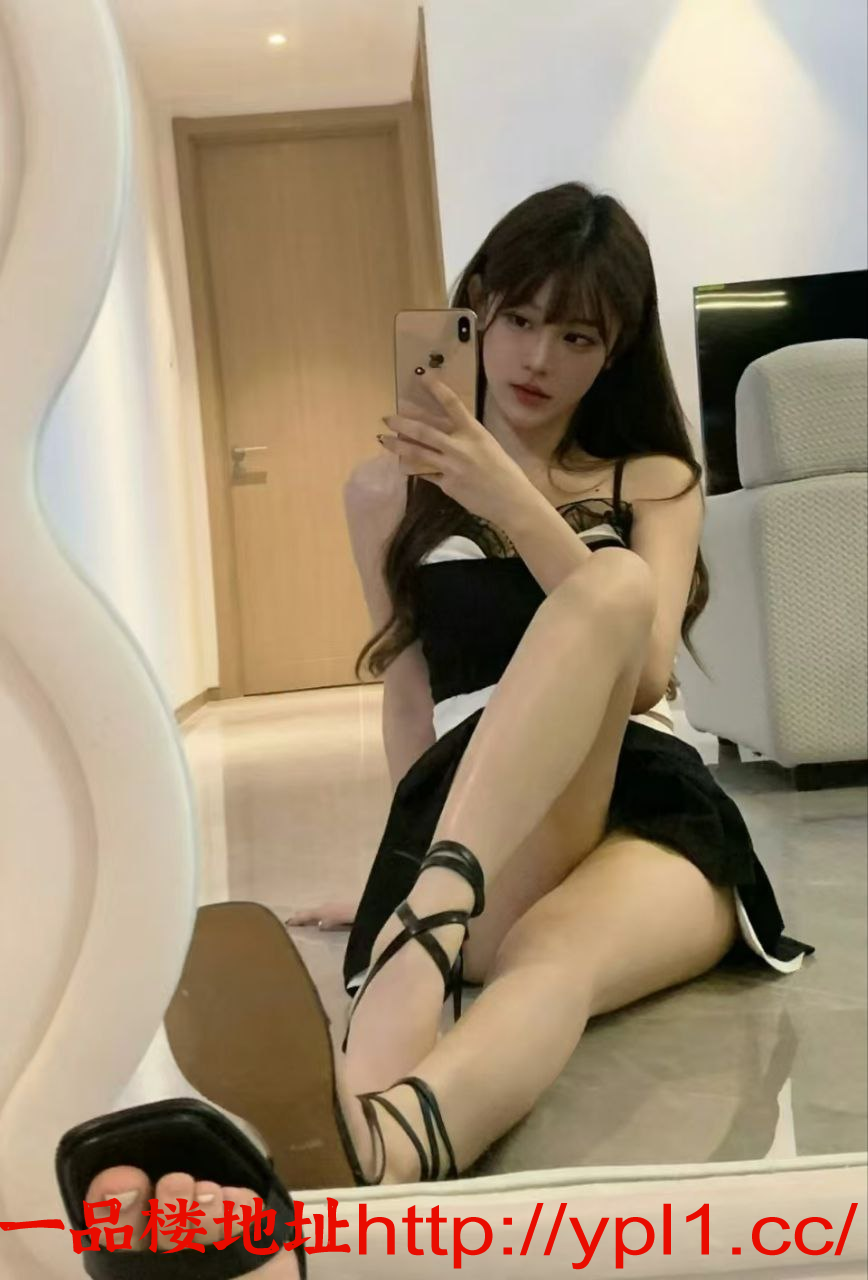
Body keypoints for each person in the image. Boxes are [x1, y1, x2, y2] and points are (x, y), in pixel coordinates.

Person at [61, 182, 811, 1278]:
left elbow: (646, 668)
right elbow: (407, 685)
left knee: (603, 622)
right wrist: (394, 850)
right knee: (543, 936)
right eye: (518, 317)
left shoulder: (652, 478)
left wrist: (510, 496)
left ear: (615, 353)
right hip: (487, 805)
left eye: (578, 335)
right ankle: (389, 1072)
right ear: (474, 310)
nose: (538, 357)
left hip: (650, 801)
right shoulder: (384, 493)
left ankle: (357, 1135)